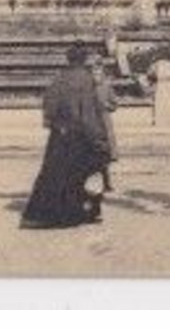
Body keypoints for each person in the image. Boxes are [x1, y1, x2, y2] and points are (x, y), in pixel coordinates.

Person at [21, 42, 111, 229]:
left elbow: (49, 104)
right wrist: (99, 139)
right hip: (79, 135)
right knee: (82, 174)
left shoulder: (59, 78)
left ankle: (42, 215)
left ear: (68, 59)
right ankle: (77, 213)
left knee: (53, 174)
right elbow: (88, 114)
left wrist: (53, 123)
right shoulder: (86, 80)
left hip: (59, 133)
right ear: (84, 59)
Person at [90, 56, 118, 192]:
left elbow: (114, 104)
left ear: (103, 75)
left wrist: (108, 105)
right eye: (94, 74)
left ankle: (107, 182)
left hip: (105, 123)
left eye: (99, 74)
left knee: (104, 156)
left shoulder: (107, 87)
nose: (96, 77)